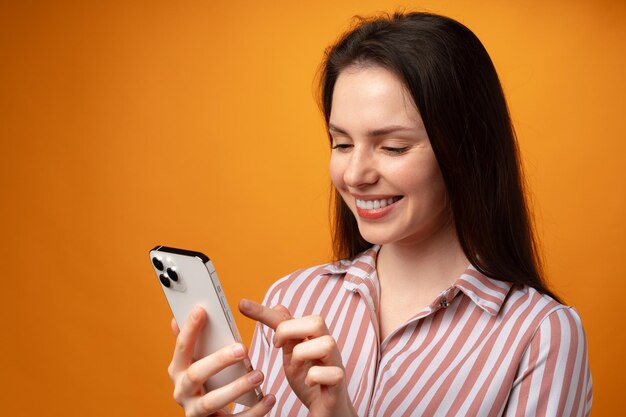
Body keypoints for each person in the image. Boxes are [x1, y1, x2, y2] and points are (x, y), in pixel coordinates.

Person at [167, 12, 592, 417]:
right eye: (342, 143)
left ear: (466, 150)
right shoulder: (293, 300)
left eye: (392, 147)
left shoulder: (541, 335)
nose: (354, 175)